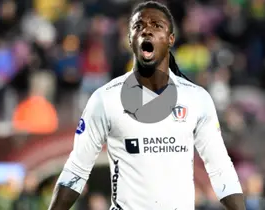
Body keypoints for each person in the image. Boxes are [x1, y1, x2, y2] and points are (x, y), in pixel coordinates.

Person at [48, 1, 245, 210]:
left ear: (171, 39)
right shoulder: (105, 99)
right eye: (138, 26)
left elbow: (220, 169)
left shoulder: (197, 99)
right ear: (130, 40)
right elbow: (76, 170)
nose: (147, 31)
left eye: (156, 26)